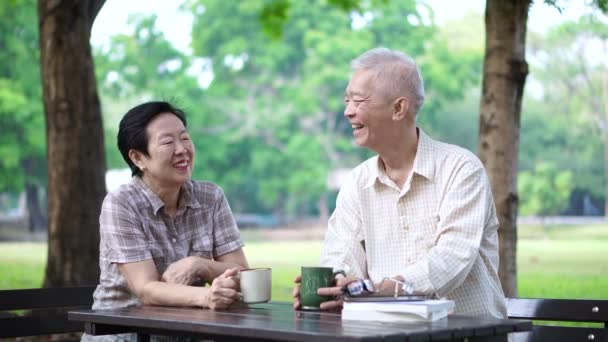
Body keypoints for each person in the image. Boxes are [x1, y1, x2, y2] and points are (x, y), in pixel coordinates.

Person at [292, 48, 507, 318]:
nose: (347, 112)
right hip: (385, 332)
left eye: (358, 101)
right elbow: (341, 256)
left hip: (467, 334)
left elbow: (452, 259)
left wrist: (379, 289)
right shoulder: (357, 182)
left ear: (398, 108)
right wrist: (333, 289)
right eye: (347, 100)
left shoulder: (461, 169)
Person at [83, 101, 248, 341]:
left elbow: (243, 274)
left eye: (185, 138)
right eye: (168, 142)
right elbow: (147, 289)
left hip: (188, 333)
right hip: (123, 335)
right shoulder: (121, 204)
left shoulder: (211, 197)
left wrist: (198, 265)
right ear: (138, 158)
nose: (182, 149)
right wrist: (207, 296)